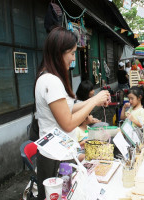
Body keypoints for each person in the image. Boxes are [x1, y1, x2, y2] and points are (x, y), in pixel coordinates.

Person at [34, 27, 110, 200]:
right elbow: (67, 122)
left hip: (59, 151)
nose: (73, 59)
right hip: (56, 156)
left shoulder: (48, 76)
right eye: (72, 53)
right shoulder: (51, 81)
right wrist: (94, 101)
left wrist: (94, 101)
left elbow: (69, 108)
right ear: (59, 52)